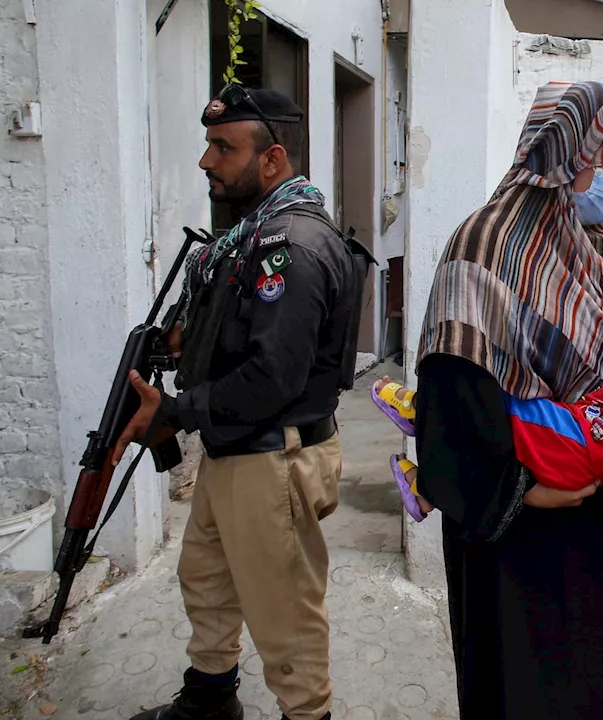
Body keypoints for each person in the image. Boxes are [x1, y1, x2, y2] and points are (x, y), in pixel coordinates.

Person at [413, 80, 603, 719]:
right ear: (570, 154)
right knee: (514, 684)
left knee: (583, 677)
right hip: (510, 520)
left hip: (587, 507)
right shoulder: (485, 243)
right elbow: (450, 396)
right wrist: (517, 490)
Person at [109, 84, 373, 720]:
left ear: (273, 160)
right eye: (208, 145)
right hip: (235, 453)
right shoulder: (249, 238)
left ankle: (307, 714)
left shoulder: (293, 247)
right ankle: (209, 700)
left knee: (285, 617)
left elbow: (273, 377)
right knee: (208, 584)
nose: (207, 161)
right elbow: (240, 332)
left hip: (272, 460)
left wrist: (174, 414)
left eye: (223, 148)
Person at [373, 329, 603, 521]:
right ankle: (426, 491)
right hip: (575, 431)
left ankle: (420, 410)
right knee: (493, 427)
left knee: (493, 402)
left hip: (577, 444)